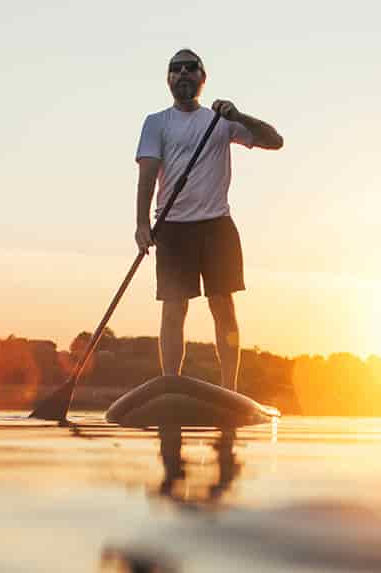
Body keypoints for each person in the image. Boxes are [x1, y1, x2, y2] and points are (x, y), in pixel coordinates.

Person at [135, 49, 283, 391]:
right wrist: (142, 224)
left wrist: (239, 115)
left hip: (216, 226)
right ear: (169, 79)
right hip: (172, 228)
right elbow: (147, 177)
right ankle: (169, 386)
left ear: (203, 78)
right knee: (174, 310)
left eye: (191, 68)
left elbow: (275, 141)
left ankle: (229, 389)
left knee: (223, 308)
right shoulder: (156, 122)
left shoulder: (221, 120)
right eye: (176, 69)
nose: (183, 73)